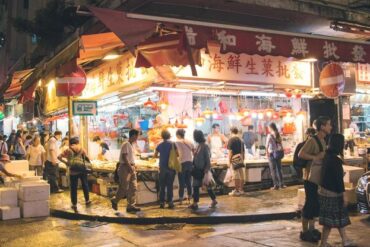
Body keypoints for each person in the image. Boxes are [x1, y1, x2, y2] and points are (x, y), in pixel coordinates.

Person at [318, 134, 356, 247]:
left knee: (336, 218)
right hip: (333, 193)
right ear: (339, 144)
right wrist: (344, 195)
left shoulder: (327, 156)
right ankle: (324, 243)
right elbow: (338, 180)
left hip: (324, 191)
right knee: (332, 220)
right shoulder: (335, 160)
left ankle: (344, 240)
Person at [298, 116, 332, 243]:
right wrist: (316, 157)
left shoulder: (323, 140)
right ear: (322, 127)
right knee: (310, 204)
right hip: (309, 178)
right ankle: (305, 231)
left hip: (316, 178)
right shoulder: (313, 140)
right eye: (328, 124)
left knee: (314, 204)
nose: (330, 127)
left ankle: (311, 229)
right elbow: (301, 154)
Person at [111, 129, 141, 213]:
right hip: (125, 168)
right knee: (124, 187)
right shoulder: (126, 144)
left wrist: (133, 166)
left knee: (133, 187)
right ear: (134, 135)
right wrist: (130, 167)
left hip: (131, 168)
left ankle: (131, 206)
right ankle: (115, 200)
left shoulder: (131, 145)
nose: (137, 138)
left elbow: (130, 158)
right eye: (137, 136)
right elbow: (124, 157)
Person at [58, 137, 91, 211]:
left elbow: (59, 157)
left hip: (73, 171)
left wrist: (66, 163)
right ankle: (87, 200)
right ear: (77, 142)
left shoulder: (68, 150)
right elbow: (88, 158)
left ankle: (74, 204)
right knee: (85, 185)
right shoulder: (82, 149)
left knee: (73, 188)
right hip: (82, 170)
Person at [189, 130, 217, 210]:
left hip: (203, 170)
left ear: (197, 137)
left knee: (207, 186)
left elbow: (208, 159)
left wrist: (206, 170)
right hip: (197, 170)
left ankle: (214, 200)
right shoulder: (198, 145)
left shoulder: (205, 146)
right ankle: (195, 203)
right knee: (195, 186)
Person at [154, 129, 177, 209]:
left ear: (162, 136)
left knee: (162, 186)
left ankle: (162, 202)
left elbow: (155, 155)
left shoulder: (159, 145)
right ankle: (170, 202)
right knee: (170, 185)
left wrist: (162, 156)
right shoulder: (173, 144)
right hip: (171, 168)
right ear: (169, 136)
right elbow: (177, 154)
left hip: (162, 168)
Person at [175, 129, 194, 204]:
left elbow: (176, 154)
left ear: (178, 135)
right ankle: (189, 198)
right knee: (189, 181)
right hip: (190, 163)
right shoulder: (190, 141)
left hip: (182, 163)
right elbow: (194, 152)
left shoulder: (176, 142)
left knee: (181, 182)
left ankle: (180, 199)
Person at [266, 122, 285, 190]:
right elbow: (281, 145)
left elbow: (267, 145)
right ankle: (281, 184)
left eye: (268, 127)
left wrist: (266, 153)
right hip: (278, 153)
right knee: (279, 169)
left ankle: (276, 185)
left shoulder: (269, 135)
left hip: (271, 154)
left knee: (273, 170)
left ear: (270, 128)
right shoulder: (278, 134)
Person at [228, 127, 245, 196]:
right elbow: (243, 152)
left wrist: (229, 161)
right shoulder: (241, 140)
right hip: (240, 158)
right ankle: (241, 190)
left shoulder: (231, 140)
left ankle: (236, 190)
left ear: (231, 132)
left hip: (234, 158)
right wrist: (242, 159)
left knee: (236, 175)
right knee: (241, 174)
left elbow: (230, 152)